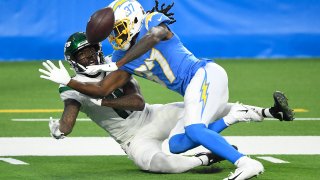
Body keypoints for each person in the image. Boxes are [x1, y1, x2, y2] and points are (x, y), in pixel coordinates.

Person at [40, 1, 294, 179]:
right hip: (134, 138)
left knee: (196, 125)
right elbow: (95, 95)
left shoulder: (136, 40)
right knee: (171, 151)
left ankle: (245, 160)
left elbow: (137, 100)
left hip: (172, 98)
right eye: (81, 56)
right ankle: (221, 139)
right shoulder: (118, 55)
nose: (89, 59)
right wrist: (61, 124)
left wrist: (107, 84)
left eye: (90, 52)